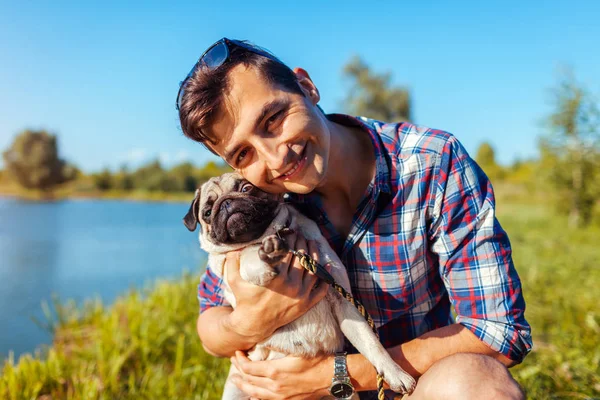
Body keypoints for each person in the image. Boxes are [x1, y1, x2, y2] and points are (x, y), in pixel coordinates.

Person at [176, 38, 532, 400]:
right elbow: (210, 324)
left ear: (307, 87)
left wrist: (333, 374)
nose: (274, 158)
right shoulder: (260, 204)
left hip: (409, 390)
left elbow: (499, 332)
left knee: (475, 384)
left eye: (273, 119)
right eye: (243, 153)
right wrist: (247, 323)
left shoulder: (432, 164)